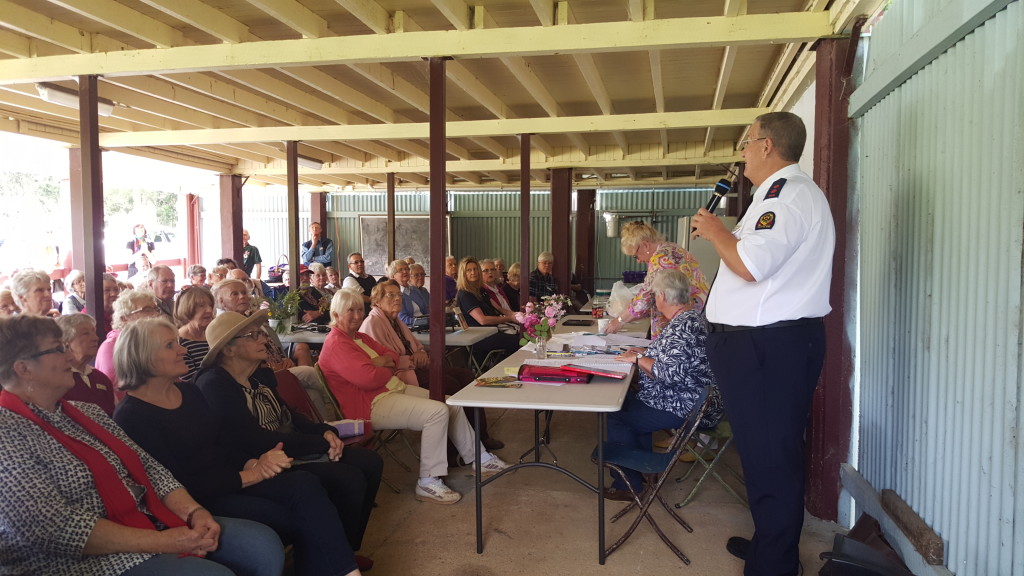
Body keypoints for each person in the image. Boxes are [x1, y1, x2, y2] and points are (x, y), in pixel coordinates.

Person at [0, 314, 284, 576]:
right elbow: (54, 529)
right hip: (76, 562)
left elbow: (151, 469)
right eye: (58, 349)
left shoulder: (86, 413)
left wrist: (194, 512)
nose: (70, 355)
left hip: (149, 520)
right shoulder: (7, 433)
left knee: (261, 544)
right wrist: (161, 541)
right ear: (23, 368)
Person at [690, 111, 835, 576]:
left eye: (748, 143)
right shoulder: (773, 196)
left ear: (768, 145)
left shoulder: (786, 197)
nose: (744, 153)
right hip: (761, 347)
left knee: (772, 456)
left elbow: (750, 266)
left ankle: (774, 566)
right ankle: (771, 545)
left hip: (769, 349)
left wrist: (715, 232)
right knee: (763, 452)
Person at [112, 317, 361, 576]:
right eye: (170, 345)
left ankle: (342, 570)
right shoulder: (132, 417)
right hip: (199, 500)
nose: (183, 349)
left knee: (304, 484)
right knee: (290, 514)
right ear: (143, 357)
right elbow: (173, 483)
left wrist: (253, 463)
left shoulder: (188, 392)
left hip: (233, 479)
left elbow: (222, 440)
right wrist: (250, 474)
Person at [195, 310, 383, 572]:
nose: (264, 339)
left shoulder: (258, 374)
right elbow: (254, 440)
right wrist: (320, 443)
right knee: (346, 477)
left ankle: (341, 549)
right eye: (253, 335)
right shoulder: (214, 384)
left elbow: (289, 415)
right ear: (228, 350)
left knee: (369, 462)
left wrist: (324, 432)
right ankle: (330, 559)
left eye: (261, 333)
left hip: (290, 447)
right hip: (263, 460)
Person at [319, 289, 509, 503]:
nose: (356, 316)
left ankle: (480, 457)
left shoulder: (359, 337)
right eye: (349, 311)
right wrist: (384, 365)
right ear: (335, 314)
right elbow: (369, 379)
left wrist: (382, 363)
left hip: (390, 389)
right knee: (437, 412)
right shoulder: (336, 343)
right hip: (370, 405)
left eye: (359, 310)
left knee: (449, 402)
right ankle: (428, 480)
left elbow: (392, 355)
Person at [606, 269, 724, 501]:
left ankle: (628, 485)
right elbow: (675, 357)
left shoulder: (684, 326)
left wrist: (639, 359)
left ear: (663, 296)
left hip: (682, 405)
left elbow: (668, 373)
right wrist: (647, 351)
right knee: (627, 404)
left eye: (655, 295)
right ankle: (642, 474)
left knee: (615, 412)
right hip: (684, 398)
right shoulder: (688, 318)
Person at [361, 280, 503, 450]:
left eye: (398, 294)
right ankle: (453, 449)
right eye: (390, 295)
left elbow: (414, 344)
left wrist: (420, 352)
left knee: (466, 376)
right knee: (449, 385)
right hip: (401, 375)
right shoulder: (372, 323)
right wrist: (412, 359)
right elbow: (381, 361)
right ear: (377, 301)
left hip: (416, 367)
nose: (397, 298)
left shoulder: (395, 320)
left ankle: (481, 436)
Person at [604, 221, 711, 339]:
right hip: (699, 315)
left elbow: (645, 298)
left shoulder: (660, 259)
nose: (638, 260)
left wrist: (619, 321)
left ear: (645, 245)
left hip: (684, 322)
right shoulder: (671, 247)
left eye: (636, 255)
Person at [95, 289, 163, 396]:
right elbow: (116, 391)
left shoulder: (153, 340)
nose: (155, 315)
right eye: (147, 310)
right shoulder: (110, 347)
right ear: (124, 318)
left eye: (156, 309)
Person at [455, 257, 520, 360]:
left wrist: (518, 316)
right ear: (463, 274)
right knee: (519, 341)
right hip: (479, 337)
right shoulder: (465, 294)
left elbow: (500, 309)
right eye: (469, 270)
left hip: (492, 331)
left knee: (523, 336)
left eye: (476, 269)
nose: (474, 272)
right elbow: (483, 320)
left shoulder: (480, 290)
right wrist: (509, 319)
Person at [56, 313, 117, 416]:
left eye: (94, 332)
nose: (96, 338)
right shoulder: (56, 380)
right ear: (66, 341)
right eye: (86, 333)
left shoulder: (101, 379)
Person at [175, 285, 216, 381]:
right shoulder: (178, 342)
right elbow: (191, 380)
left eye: (210, 305)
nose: (209, 310)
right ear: (187, 308)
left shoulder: (211, 335)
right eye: (201, 306)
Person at [400, 262, 432, 327]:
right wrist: (423, 321)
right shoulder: (403, 293)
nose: (421, 277)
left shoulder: (424, 291)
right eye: (416, 275)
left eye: (422, 274)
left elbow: (428, 310)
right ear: (409, 278)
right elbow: (402, 318)